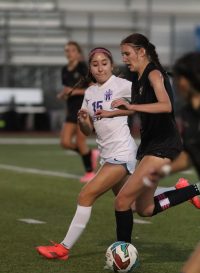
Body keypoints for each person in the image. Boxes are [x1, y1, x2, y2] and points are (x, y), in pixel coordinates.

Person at [95, 33, 200, 244]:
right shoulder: (138, 79)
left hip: (163, 147)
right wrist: (112, 113)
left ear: (141, 52)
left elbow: (165, 106)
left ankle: (122, 252)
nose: (124, 58)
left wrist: (131, 106)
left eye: (127, 53)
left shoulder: (154, 74)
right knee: (144, 208)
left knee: (122, 201)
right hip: (150, 146)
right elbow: (137, 109)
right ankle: (195, 189)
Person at [36, 47, 138, 260]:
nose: (100, 68)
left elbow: (148, 98)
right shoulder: (91, 92)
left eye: (104, 63)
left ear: (112, 65)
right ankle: (187, 190)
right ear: (90, 69)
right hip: (107, 155)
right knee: (135, 203)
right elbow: (87, 130)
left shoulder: (123, 85)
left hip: (122, 152)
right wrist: (83, 121)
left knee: (85, 195)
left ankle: (63, 248)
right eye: (95, 64)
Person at [57, 41, 99, 183]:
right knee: (65, 142)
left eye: (72, 50)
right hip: (71, 110)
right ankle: (90, 154)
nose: (69, 53)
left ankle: (89, 173)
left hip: (84, 108)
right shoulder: (64, 70)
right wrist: (64, 94)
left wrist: (74, 92)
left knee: (81, 141)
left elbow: (93, 87)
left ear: (78, 53)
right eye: (67, 50)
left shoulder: (83, 68)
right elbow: (68, 90)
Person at [165, 53, 200, 178]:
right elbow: (191, 155)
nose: (176, 84)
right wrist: (164, 170)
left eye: (179, 79)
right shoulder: (187, 113)